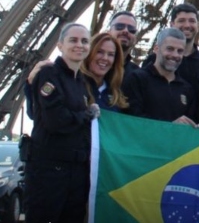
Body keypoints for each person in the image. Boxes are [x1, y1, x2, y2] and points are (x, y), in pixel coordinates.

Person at [25, 23, 101, 223]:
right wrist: (86, 115)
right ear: (60, 45)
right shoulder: (48, 75)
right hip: (50, 170)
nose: (80, 45)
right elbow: (55, 121)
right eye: (73, 40)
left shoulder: (81, 83)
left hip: (75, 171)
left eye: (85, 41)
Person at [122, 28, 199, 126]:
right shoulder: (136, 79)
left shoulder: (187, 89)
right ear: (156, 49)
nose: (175, 55)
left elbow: (191, 125)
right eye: (170, 49)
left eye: (180, 51)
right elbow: (131, 119)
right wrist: (169, 126)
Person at [142, 3, 199, 84]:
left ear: (198, 25)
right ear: (172, 24)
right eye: (181, 20)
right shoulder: (153, 59)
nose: (187, 25)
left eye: (192, 21)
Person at [82, 32, 129, 112]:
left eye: (111, 54)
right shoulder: (75, 84)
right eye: (99, 52)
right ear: (88, 53)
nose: (105, 58)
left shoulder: (116, 95)